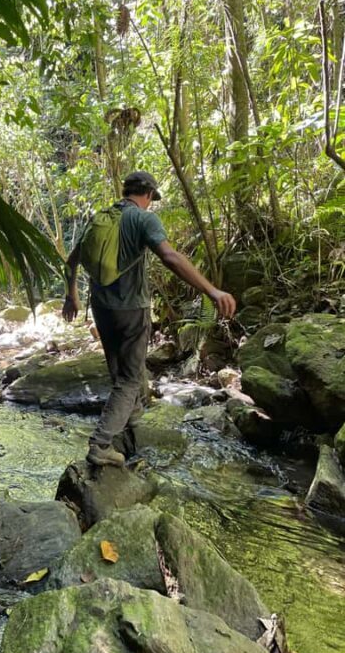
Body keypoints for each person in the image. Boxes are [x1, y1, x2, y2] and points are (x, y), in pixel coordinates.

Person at [63, 170, 236, 467]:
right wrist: (211, 290)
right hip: (131, 310)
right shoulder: (143, 219)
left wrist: (71, 296)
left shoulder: (100, 218)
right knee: (131, 378)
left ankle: (130, 419)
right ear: (148, 195)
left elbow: (72, 260)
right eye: (152, 198)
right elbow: (170, 257)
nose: (151, 203)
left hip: (102, 309)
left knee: (119, 371)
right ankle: (101, 444)